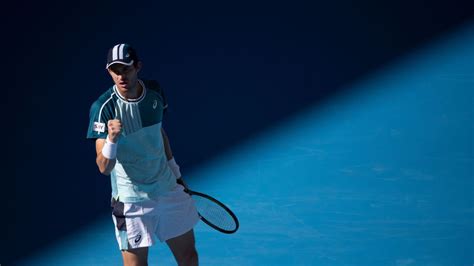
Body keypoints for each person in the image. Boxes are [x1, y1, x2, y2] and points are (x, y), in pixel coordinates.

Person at [86, 43, 200, 266]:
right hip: (131, 200)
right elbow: (103, 167)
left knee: (189, 257)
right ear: (108, 71)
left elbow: (159, 134)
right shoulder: (102, 108)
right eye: (114, 70)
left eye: (126, 69)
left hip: (167, 189)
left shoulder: (155, 91)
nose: (121, 76)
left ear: (138, 67)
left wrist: (176, 174)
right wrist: (111, 140)